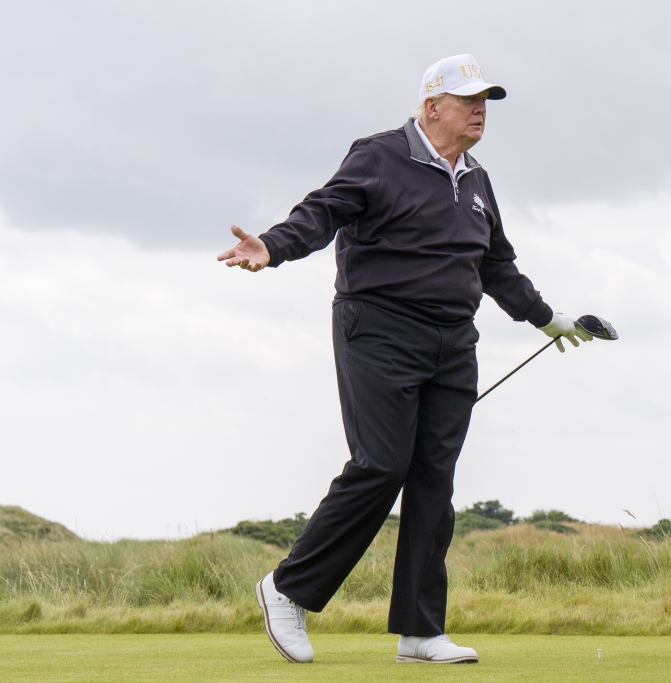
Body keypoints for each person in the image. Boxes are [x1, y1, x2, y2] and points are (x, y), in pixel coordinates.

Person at [216, 54, 590, 665]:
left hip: (453, 342)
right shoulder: (380, 155)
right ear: (432, 106)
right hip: (378, 329)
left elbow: (496, 266)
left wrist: (549, 319)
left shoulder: (477, 180)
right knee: (382, 464)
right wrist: (273, 246)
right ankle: (288, 589)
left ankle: (420, 631)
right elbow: (322, 212)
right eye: (469, 100)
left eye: (485, 102)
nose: (480, 111)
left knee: (433, 480)